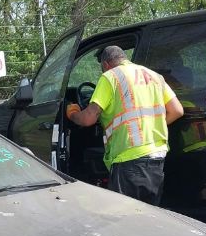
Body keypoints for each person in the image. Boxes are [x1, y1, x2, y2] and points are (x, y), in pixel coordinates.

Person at [66, 46, 184, 205]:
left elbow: (88, 118)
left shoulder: (110, 77)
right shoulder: (155, 76)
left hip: (129, 159)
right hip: (157, 157)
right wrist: (149, 126)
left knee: (124, 218)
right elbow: (177, 110)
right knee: (150, 215)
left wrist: (72, 113)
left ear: (106, 64)